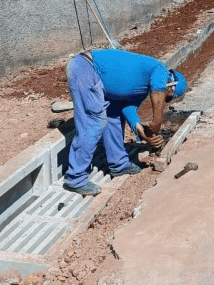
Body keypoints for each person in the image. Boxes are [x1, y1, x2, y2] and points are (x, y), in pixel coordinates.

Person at [63, 48, 188, 195]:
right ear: (171, 85)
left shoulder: (141, 88)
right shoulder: (160, 69)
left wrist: (142, 132)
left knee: (114, 115)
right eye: (168, 97)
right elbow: (158, 89)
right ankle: (75, 178)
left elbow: (128, 108)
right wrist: (157, 122)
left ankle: (119, 164)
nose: (164, 101)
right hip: (85, 68)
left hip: (98, 79)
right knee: (93, 123)